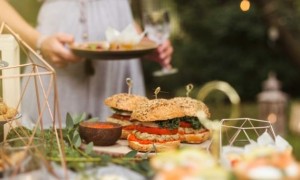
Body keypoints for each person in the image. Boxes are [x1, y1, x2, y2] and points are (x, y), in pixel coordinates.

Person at [0, 0, 173, 127]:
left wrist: (140, 41)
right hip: (58, 64)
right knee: (56, 153)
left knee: (123, 149)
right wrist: (39, 41)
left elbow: (118, 9)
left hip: (116, 72)